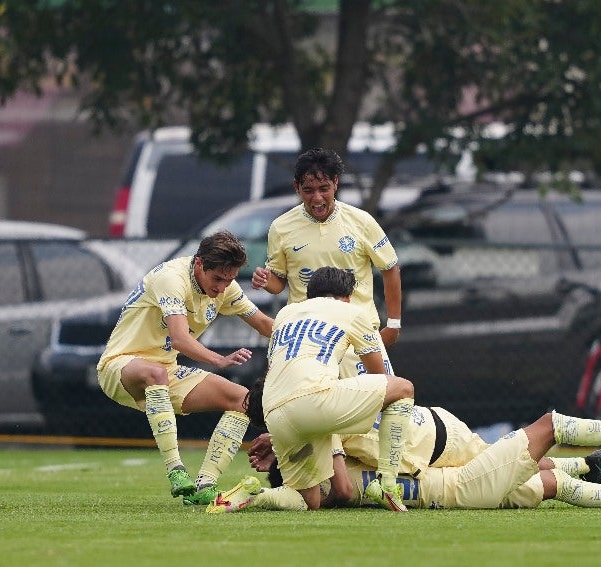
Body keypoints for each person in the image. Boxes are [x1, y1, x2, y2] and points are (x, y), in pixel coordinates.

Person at [208, 388, 601, 513]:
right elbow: (329, 490)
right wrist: (255, 491)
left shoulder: (320, 460)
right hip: (455, 486)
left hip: (444, 468)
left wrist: (252, 488)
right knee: (549, 424)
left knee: (546, 485)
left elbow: (308, 490)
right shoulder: (329, 464)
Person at [96, 231, 274, 504]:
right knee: (154, 373)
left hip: (166, 371)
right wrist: (219, 360)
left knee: (242, 399)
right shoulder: (171, 278)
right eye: (218, 279)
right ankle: (176, 471)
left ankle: (205, 485)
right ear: (200, 264)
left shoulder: (225, 287)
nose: (222, 288)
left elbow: (264, 325)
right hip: (119, 365)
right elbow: (179, 339)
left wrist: (304, 339)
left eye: (230, 279)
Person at [246, 266, 415, 511]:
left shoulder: (286, 313)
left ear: (309, 296)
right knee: (403, 389)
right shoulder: (352, 312)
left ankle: (254, 495)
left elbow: (275, 371)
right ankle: (388, 484)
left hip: (273, 410)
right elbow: (380, 376)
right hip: (314, 401)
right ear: (347, 297)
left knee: (308, 501)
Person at [251, 147, 402, 378]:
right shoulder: (281, 227)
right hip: (307, 339)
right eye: (308, 190)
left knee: (380, 404)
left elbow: (390, 268)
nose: (317, 198)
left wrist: (393, 323)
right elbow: (279, 283)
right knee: (309, 410)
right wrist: (266, 280)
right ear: (297, 188)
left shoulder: (361, 221)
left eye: (324, 189)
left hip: (357, 335)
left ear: (335, 183)